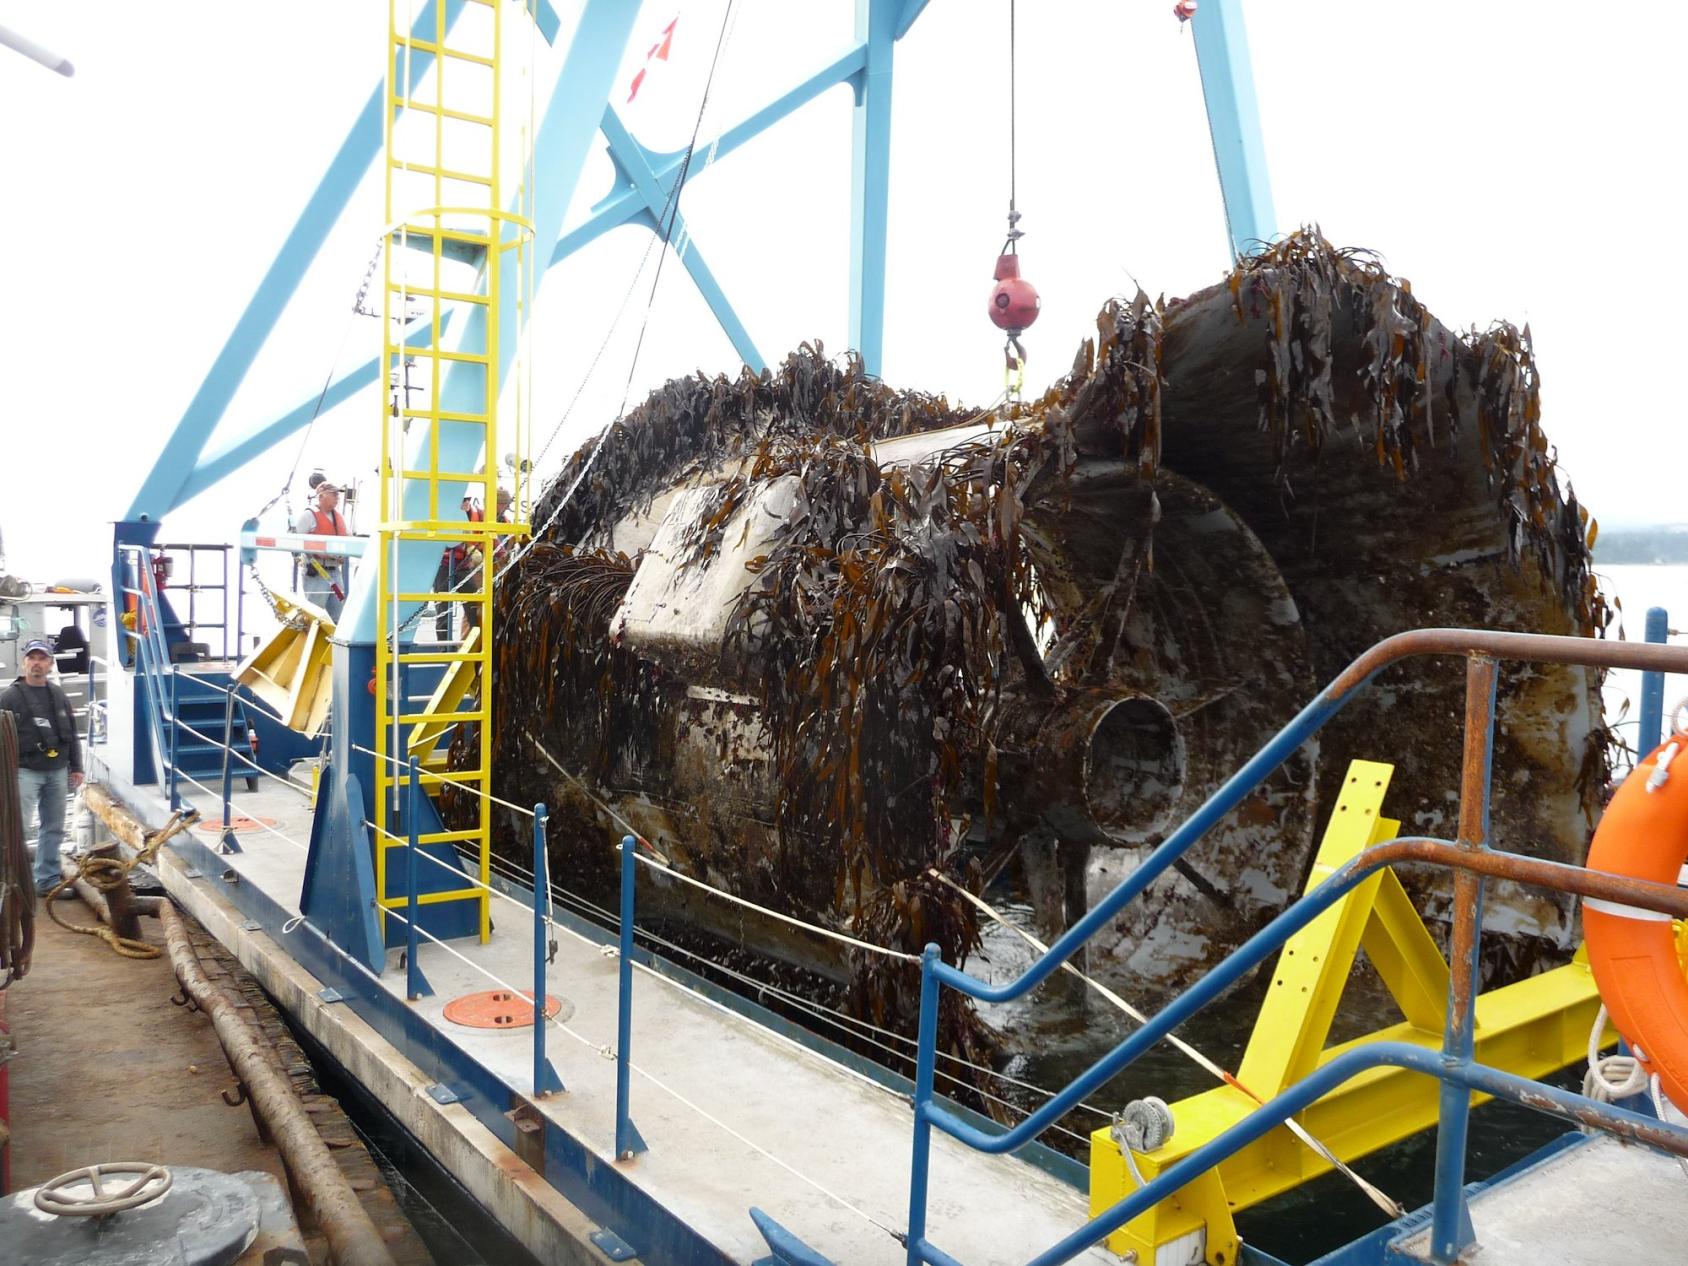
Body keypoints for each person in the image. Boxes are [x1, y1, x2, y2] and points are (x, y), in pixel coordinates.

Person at [1, 636, 84, 898]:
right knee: (17, 828)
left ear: (50, 663)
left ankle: (46, 881)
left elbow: (71, 732)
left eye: (42, 659)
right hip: (23, 771)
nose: (37, 663)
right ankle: (10, 883)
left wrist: (76, 767)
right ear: (24, 662)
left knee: (54, 826)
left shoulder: (58, 694)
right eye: (32, 658)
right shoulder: (9, 697)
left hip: (57, 771)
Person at [294, 481, 349, 621]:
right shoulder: (308, 516)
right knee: (314, 615)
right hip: (316, 571)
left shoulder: (339, 517)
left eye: (338, 494)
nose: (337, 497)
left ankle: (335, 642)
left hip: (335, 572)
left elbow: (348, 538)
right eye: (334, 494)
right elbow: (294, 541)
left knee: (338, 615)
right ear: (321, 496)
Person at [432, 493, 484, 641]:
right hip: (443, 567)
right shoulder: (444, 515)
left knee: (475, 605)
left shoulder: (478, 515)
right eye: (462, 500)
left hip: (464, 567)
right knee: (443, 610)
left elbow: (489, 538)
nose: (466, 503)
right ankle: (444, 649)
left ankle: (476, 644)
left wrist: (502, 554)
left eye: (468, 499)